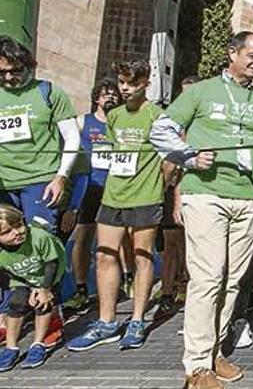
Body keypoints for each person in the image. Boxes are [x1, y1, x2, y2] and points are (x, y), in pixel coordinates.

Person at [151, 31, 253, 389]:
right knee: (208, 278)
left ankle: (213, 353)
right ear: (232, 53)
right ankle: (196, 367)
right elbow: (161, 131)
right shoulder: (201, 90)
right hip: (206, 194)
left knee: (232, 282)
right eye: (252, 55)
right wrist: (189, 155)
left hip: (249, 196)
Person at [66, 59, 166, 352]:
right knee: (105, 254)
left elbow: (171, 157)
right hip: (113, 195)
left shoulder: (157, 115)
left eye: (132, 84)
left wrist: (162, 184)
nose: (125, 89)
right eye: (122, 83)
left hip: (145, 196)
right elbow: (108, 153)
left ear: (146, 83)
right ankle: (107, 321)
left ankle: (137, 320)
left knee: (142, 256)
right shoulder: (115, 116)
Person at [0, 36, 79, 344]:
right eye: (2, 72)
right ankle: (8, 318)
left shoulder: (48, 92)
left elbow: (72, 138)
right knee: (6, 250)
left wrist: (60, 177)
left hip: (40, 182)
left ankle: (51, 313)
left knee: (40, 249)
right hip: (5, 184)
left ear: (28, 66)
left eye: (15, 70)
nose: (9, 77)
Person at [62, 78, 121, 311]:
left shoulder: (120, 122)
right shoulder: (82, 122)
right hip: (89, 185)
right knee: (84, 236)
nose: (111, 98)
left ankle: (124, 282)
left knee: (121, 237)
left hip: (116, 186)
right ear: (97, 98)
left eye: (114, 94)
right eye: (106, 94)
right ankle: (81, 289)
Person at [153, 75, 201, 322]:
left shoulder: (200, 126)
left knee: (189, 245)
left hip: (193, 189)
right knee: (171, 242)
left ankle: (186, 285)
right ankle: (167, 290)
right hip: (171, 189)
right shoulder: (174, 124)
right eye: (183, 93)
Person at [0, 204, 66, 371]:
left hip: (48, 272)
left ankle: (38, 343)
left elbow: (52, 264)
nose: (17, 232)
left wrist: (44, 289)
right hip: (21, 276)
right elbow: (5, 275)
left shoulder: (38, 236)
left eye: (19, 225)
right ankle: (11, 347)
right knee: (16, 303)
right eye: (7, 232)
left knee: (42, 304)